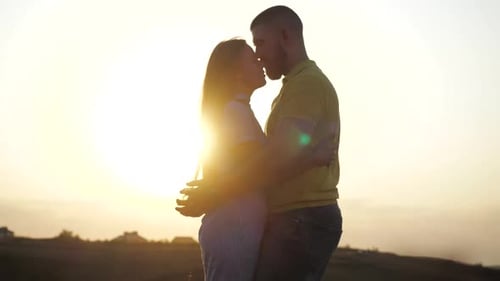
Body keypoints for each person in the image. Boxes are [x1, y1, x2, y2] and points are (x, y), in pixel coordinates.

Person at [185, 38, 336, 281]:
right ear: (236, 73)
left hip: (238, 226)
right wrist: (312, 157)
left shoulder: (239, 111)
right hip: (233, 228)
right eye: (252, 59)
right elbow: (264, 173)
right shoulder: (235, 112)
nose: (260, 60)